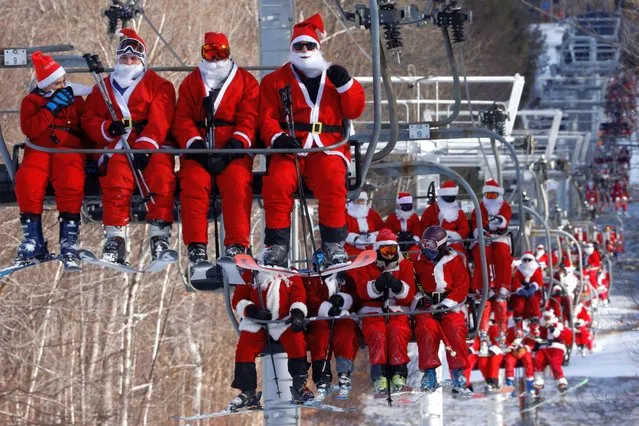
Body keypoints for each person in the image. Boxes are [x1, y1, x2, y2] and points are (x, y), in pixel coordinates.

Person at [259, 13, 365, 266]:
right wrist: (277, 138)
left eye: (309, 45)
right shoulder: (274, 81)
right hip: (290, 147)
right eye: (299, 45)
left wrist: (346, 86)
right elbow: (266, 117)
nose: (304, 50)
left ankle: (333, 243)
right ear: (292, 49)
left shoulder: (334, 78)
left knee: (332, 183)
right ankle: (277, 245)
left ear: (318, 47)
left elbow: (354, 110)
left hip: (327, 146)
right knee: (277, 183)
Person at [82, 29, 176, 264]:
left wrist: (146, 145)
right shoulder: (102, 88)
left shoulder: (159, 85)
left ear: (142, 60)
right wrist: (106, 128)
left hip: (150, 142)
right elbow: (88, 118)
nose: (129, 62)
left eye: (134, 58)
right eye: (124, 58)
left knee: (160, 174)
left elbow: (161, 119)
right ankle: (115, 236)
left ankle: (159, 233)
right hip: (118, 143)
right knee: (116, 176)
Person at [172, 31, 258, 263]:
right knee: (192, 183)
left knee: (238, 183)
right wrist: (196, 145)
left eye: (221, 53)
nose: (215, 59)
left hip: (233, 152)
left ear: (228, 54)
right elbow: (182, 119)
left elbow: (249, 117)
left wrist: (235, 145)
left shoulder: (246, 82)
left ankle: (237, 243)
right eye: (209, 53)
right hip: (199, 152)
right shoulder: (191, 83)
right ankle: (197, 245)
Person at [15, 51, 92, 267]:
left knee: (70, 180)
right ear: (46, 84)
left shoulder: (75, 100)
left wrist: (94, 157)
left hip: (68, 150)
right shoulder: (31, 102)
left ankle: (69, 238)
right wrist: (50, 109)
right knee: (28, 179)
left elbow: (86, 127)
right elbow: (30, 127)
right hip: (39, 149)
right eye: (57, 83)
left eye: (63, 82)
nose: (62, 86)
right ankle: (32, 237)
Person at [229, 271, 312, 409]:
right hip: (256, 322)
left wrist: (297, 312)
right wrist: (250, 310)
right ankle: (247, 392)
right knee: (245, 346)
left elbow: (298, 297)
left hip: (283, 322)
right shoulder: (251, 272)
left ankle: (300, 386)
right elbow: (238, 299)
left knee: (297, 342)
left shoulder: (291, 274)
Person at [347, 228, 414, 397]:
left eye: (392, 250)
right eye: (385, 250)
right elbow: (362, 290)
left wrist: (398, 286)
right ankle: (380, 376)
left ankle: (399, 374)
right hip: (372, 309)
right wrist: (376, 285)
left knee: (397, 330)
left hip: (396, 309)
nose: (390, 254)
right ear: (378, 250)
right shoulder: (367, 264)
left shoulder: (404, 264)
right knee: (377, 333)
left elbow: (409, 294)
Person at [412, 225, 472, 397]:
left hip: (450, 306)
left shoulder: (454, 261)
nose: (426, 248)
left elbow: (462, 285)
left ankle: (458, 373)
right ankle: (429, 373)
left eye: (430, 244)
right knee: (426, 329)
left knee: (454, 329)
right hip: (428, 306)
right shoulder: (419, 261)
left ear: (440, 244)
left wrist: (447, 304)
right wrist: (420, 299)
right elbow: (413, 283)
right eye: (424, 244)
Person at [470, 179, 512, 352]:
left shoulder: (504, 206)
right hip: (483, 239)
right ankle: (483, 286)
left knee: (502, 253)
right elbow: (475, 224)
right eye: (489, 195)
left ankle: (503, 285)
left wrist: (499, 224)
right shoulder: (479, 208)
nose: (491, 198)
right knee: (483, 255)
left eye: (494, 195)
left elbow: (505, 220)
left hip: (499, 238)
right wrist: (480, 232)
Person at [303, 272, 359, 399]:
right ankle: (321, 376)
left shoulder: (345, 278)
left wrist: (344, 300)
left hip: (342, 315)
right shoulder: (312, 279)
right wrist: (327, 308)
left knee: (345, 331)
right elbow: (310, 299)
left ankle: (344, 372)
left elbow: (357, 297)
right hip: (320, 317)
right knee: (320, 334)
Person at [420, 180, 470, 256]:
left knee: (458, 254)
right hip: (434, 242)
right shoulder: (432, 210)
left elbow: (464, 229)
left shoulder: (458, 212)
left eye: (452, 196)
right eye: (448, 196)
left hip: (453, 242)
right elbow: (424, 227)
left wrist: (454, 236)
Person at [533, 309, 569, 393]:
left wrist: (552, 329)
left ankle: (561, 381)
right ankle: (539, 381)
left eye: (548, 318)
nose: (546, 320)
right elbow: (536, 337)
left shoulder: (558, 325)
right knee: (537, 360)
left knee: (554, 362)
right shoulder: (540, 327)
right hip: (543, 348)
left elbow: (562, 337)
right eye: (545, 318)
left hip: (556, 347)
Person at [503, 316, 535, 396]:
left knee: (528, 361)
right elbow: (507, 341)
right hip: (513, 350)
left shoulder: (528, 331)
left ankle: (530, 385)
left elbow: (531, 342)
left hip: (523, 350)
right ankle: (509, 385)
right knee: (509, 362)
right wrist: (512, 348)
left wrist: (525, 348)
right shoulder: (510, 330)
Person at [345, 191, 384, 256]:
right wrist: (354, 239)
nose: (359, 203)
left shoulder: (372, 213)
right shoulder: (346, 213)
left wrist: (374, 235)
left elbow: (383, 229)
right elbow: (341, 232)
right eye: (356, 201)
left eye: (361, 200)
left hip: (372, 246)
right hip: (352, 247)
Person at [510, 252, 543, 325]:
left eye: (529, 260)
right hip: (522, 290)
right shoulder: (519, 269)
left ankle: (534, 317)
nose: (527, 261)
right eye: (525, 260)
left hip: (533, 291)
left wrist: (533, 287)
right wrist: (520, 289)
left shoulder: (536, 269)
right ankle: (518, 317)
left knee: (534, 302)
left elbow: (539, 280)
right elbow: (516, 281)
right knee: (519, 304)